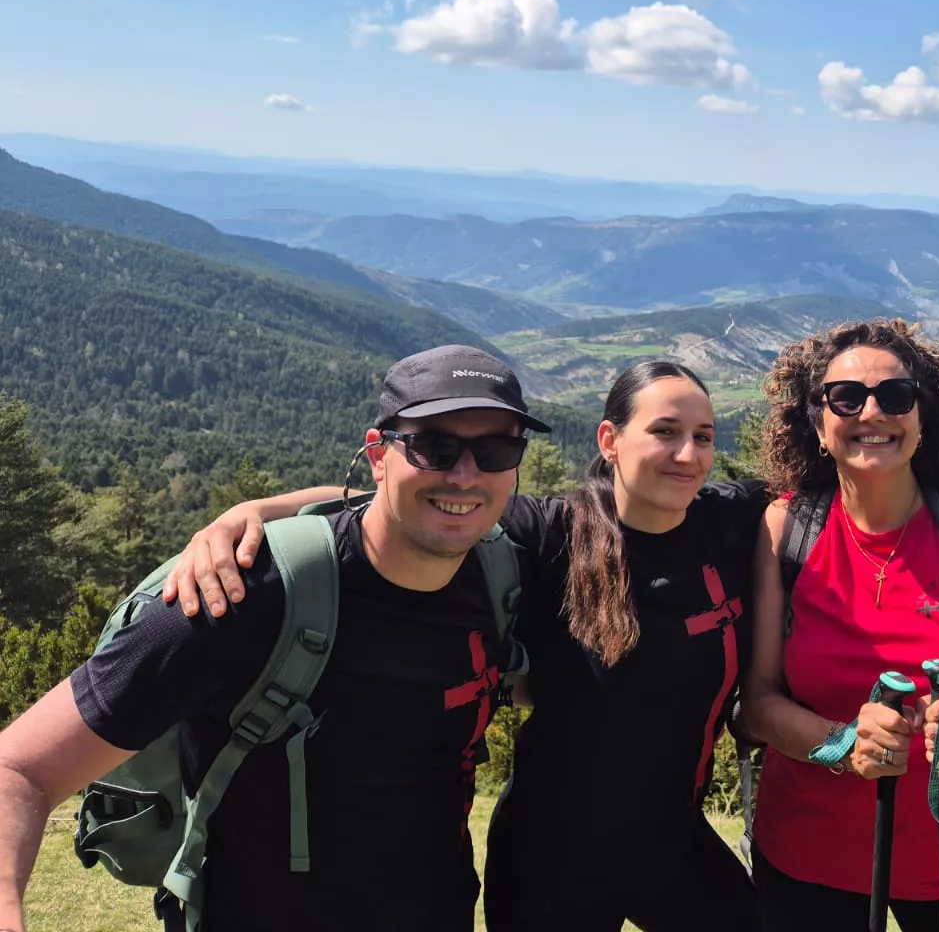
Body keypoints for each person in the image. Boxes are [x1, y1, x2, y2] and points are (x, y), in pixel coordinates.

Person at [168, 359, 939, 932]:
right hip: (548, 865)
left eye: (702, 436)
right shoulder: (549, 535)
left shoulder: (733, 523)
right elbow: (422, 498)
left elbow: (861, 466)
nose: (688, 453)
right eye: (664, 432)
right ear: (610, 441)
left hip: (675, 851)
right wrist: (257, 513)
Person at [0, 343, 546, 932]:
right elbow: (22, 769)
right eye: (434, 446)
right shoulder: (237, 595)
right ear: (378, 454)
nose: (465, 475)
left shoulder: (505, 567)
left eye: (495, 449)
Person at [741, 319, 939, 932]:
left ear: (922, 417)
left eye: (895, 396)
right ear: (817, 423)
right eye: (846, 398)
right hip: (807, 864)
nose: (873, 412)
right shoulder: (784, 531)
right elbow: (758, 703)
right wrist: (843, 744)